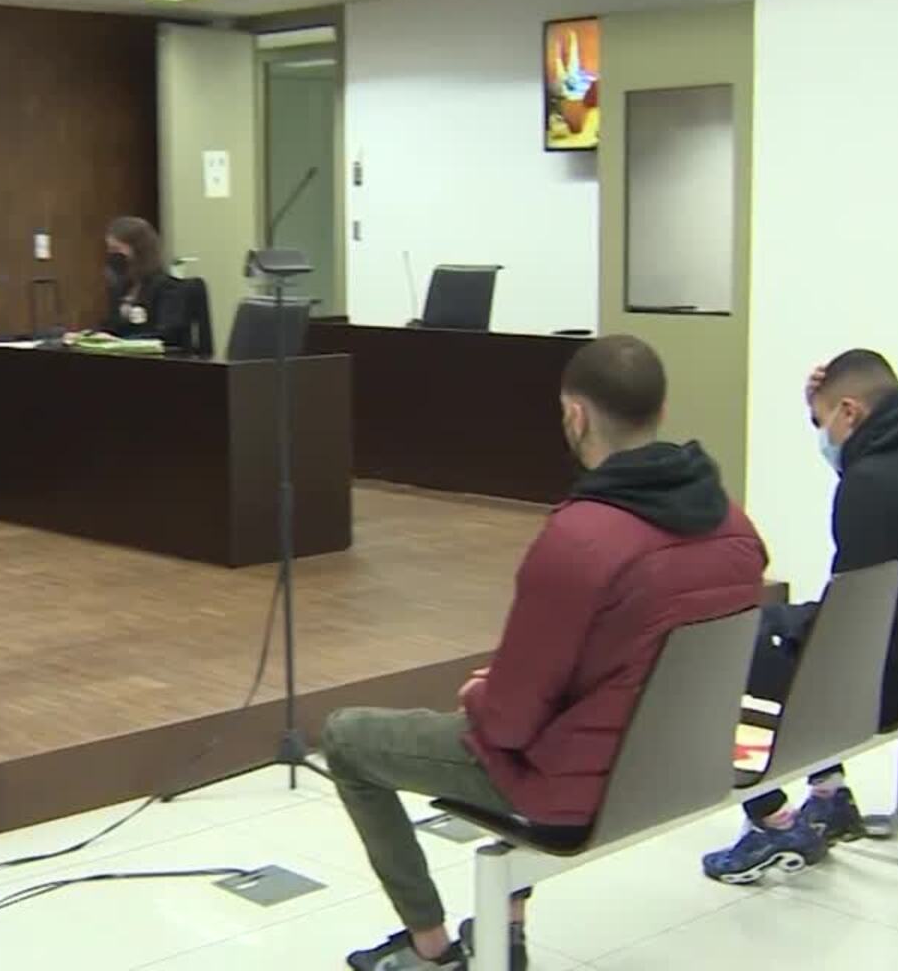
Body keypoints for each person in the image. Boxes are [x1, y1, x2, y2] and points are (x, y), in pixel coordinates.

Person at [325, 335, 769, 971]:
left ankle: (430, 948)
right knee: (546, 720)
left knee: (347, 739)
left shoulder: (580, 539)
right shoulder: (735, 524)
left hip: (580, 787)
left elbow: (507, 725)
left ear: (575, 416)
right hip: (679, 764)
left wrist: (485, 692)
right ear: (662, 411)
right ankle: (506, 923)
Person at [702, 349, 898, 885]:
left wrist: (786, 628)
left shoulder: (871, 483)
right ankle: (829, 795)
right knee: (781, 627)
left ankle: (775, 822)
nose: (822, 437)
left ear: (850, 411)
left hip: (889, 682)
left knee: (723, 646)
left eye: (821, 421)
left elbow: (847, 628)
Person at [100, 216, 191, 348]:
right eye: (110, 249)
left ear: (139, 250)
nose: (112, 255)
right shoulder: (122, 288)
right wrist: (90, 336)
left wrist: (121, 342)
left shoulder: (168, 288)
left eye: (116, 249)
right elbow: (113, 327)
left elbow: (167, 334)